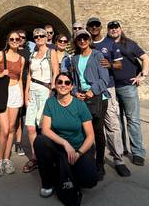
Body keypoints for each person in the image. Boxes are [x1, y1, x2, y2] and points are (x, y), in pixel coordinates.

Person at [72, 29, 130, 180]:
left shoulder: (98, 55)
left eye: (85, 38)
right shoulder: (75, 58)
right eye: (79, 39)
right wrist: (75, 92)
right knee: (85, 132)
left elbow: (104, 79)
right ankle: (88, 161)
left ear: (89, 40)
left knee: (98, 131)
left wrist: (93, 90)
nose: (82, 41)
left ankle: (100, 164)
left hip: (98, 98)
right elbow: (75, 81)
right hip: (82, 98)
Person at [33, 72, 97, 202]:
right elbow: (45, 130)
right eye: (60, 82)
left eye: (67, 82)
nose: (63, 85)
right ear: (55, 85)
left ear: (72, 86)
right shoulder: (50, 103)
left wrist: (78, 153)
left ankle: (69, 171)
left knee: (90, 180)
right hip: (59, 147)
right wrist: (65, 143)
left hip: (78, 148)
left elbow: (90, 136)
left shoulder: (80, 105)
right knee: (40, 141)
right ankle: (47, 183)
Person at [86, 17, 128, 174]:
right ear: (88, 27)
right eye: (92, 25)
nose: (94, 27)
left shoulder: (109, 43)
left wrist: (110, 64)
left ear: (100, 27)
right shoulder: (83, 42)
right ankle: (95, 159)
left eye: (97, 25)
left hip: (107, 88)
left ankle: (118, 159)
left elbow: (119, 63)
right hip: (89, 90)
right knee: (91, 126)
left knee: (112, 123)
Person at [107, 20, 149, 166]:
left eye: (116, 27)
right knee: (117, 121)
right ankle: (122, 148)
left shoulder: (129, 44)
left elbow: (145, 58)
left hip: (128, 87)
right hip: (112, 88)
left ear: (120, 29)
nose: (114, 30)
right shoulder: (107, 44)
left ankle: (138, 152)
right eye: (111, 28)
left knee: (132, 120)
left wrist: (142, 75)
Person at [0, 31, 25, 176]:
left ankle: (7, 160)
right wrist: (0, 74)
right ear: (8, 41)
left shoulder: (21, 59)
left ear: (20, 41)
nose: (15, 41)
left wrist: (21, 96)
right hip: (2, 92)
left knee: (11, 128)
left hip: (15, 92)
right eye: (12, 39)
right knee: (3, 129)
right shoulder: (0, 55)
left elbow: (20, 78)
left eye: (17, 39)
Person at [23, 28, 59, 173]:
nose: (38, 38)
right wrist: (26, 92)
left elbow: (55, 71)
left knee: (44, 127)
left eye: (41, 36)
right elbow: (29, 75)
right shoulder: (33, 54)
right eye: (36, 36)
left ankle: (47, 156)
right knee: (30, 127)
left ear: (46, 37)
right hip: (32, 90)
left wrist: (52, 90)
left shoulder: (52, 53)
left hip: (45, 91)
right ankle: (35, 157)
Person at [14, 29, 31, 156]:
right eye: (18, 37)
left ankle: (34, 143)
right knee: (17, 116)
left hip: (27, 85)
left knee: (29, 115)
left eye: (23, 37)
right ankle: (18, 143)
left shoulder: (29, 52)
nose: (20, 39)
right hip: (14, 86)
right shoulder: (9, 51)